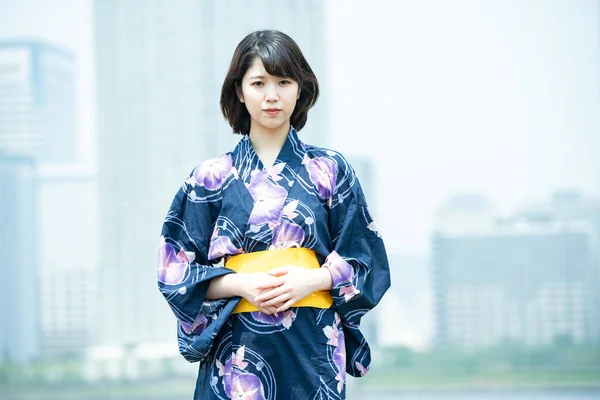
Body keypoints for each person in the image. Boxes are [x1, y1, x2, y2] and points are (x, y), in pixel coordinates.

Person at [157, 30, 391, 399]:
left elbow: (368, 261)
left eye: (283, 81)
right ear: (239, 90)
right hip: (237, 353)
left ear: (300, 89)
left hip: (312, 347)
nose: (271, 95)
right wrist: (241, 284)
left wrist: (311, 281)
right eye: (258, 82)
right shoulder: (208, 178)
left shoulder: (331, 170)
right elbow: (176, 273)